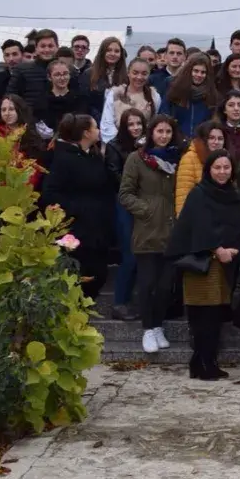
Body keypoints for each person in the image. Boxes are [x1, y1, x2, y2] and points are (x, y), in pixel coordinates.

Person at [166, 149, 240, 380]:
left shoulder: (235, 195)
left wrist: (235, 249)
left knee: (216, 316)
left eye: (226, 167)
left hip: (226, 265)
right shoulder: (199, 194)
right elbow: (196, 227)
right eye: (217, 167)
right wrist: (216, 249)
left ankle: (205, 362)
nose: (222, 172)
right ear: (208, 169)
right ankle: (202, 363)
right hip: (202, 265)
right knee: (203, 317)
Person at [119, 114, 182, 355]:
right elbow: (125, 193)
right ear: (151, 133)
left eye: (168, 132)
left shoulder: (178, 159)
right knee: (147, 284)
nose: (164, 136)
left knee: (166, 286)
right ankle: (147, 328)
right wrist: (145, 210)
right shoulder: (137, 158)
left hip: (171, 229)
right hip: (147, 229)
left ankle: (158, 326)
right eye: (159, 131)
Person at [42, 114, 118, 302]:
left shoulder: (93, 155)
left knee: (98, 273)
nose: (99, 131)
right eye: (95, 127)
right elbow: (51, 193)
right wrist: (79, 209)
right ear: (86, 133)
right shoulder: (63, 159)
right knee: (82, 274)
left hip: (97, 227)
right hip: (78, 228)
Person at [104, 108, 147, 321]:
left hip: (145, 203)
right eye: (131, 124)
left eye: (139, 123)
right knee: (129, 255)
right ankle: (119, 302)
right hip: (123, 204)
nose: (135, 128)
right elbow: (115, 176)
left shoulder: (148, 145)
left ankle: (133, 301)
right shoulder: (114, 146)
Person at [99, 58, 161, 143]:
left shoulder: (154, 96)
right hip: (117, 144)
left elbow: (154, 123)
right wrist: (120, 142)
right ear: (128, 73)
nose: (139, 77)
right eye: (135, 73)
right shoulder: (115, 94)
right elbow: (107, 123)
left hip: (144, 145)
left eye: (144, 74)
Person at [159, 52, 218, 136]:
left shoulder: (211, 93)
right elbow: (163, 115)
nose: (199, 75)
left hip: (200, 141)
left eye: (203, 72)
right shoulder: (174, 88)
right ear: (188, 70)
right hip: (176, 139)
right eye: (195, 71)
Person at [176, 122, 228, 216]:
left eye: (220, 139)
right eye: (211, 138)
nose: (216, 142)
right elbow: (183, 196)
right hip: (197, 217)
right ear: (204, 139)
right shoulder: (190, 158)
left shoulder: (226, 160)